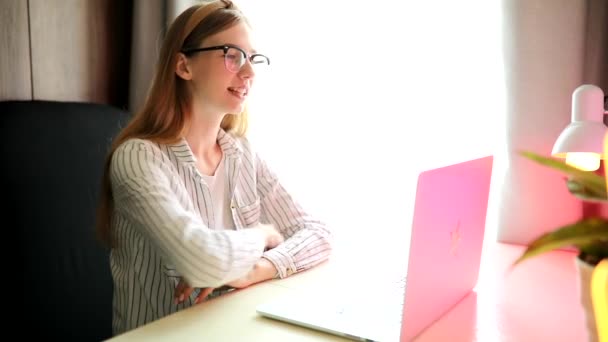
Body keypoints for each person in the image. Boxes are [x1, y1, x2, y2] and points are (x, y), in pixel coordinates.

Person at [96, 0, 333, 336]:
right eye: (232, 55)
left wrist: (256, 269)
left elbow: (317, 233)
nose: (249, 72)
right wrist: (263, 235)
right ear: (183, 66)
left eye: (252, 58)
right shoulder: (138, 159)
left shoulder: (241, 154)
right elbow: (202, 262)